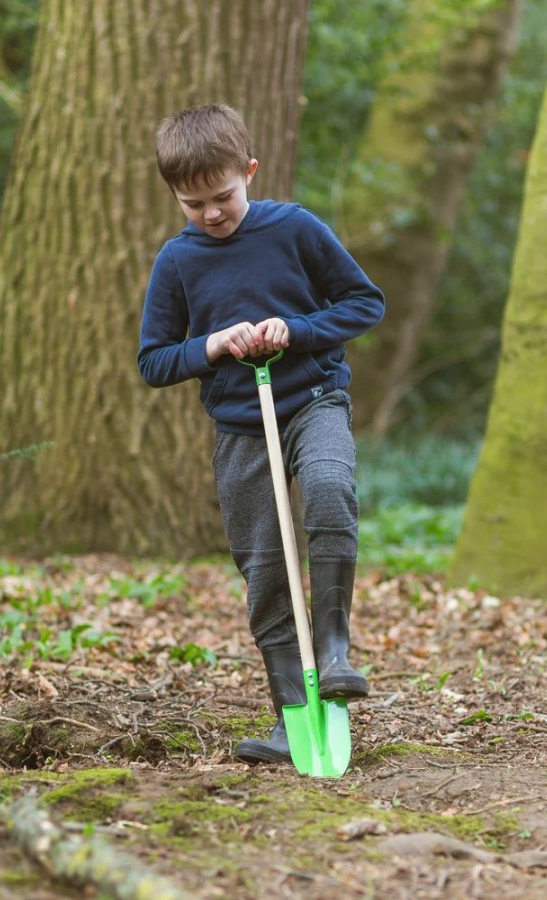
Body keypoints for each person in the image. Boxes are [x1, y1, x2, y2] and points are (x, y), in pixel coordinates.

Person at [137, 104, 384, 765]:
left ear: (249, 172)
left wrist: (296, 329)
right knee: (264, 569)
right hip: (242, 426)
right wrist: (212, 345)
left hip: (315, 400)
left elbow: (365, 303)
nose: (213, 214)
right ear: (175, 196)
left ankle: (334, 652)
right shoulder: (177, 262)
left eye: (223, 196)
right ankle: (294, 720)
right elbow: (154, 360)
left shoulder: (295, 228)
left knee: (330, 491)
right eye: (195, 204)